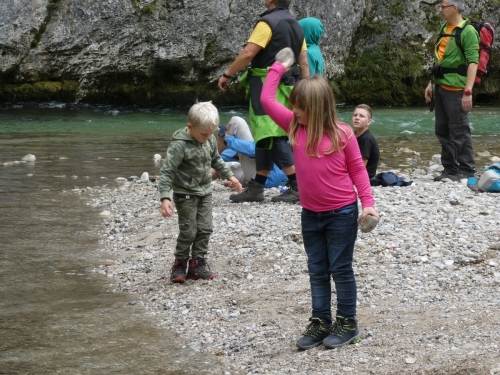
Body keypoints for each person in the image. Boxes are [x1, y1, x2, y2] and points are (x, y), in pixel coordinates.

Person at [260, 48, 379, 350]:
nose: (294, 110)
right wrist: (278, 66)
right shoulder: (293, 126)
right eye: (293, 106)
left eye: (299, 107)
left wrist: (368, 204)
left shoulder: (343, 134)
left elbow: (358, 172)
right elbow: (265, 100)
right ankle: (320, 321)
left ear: (315, 107)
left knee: (340, 268)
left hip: (341, 213)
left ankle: (348, 323)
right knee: (316, 269)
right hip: (310, 214)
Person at [218, 0, 309, 203]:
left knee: (273, 136)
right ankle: (257, 187)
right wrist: (305, 89)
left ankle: (297, 186)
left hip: (267, 84)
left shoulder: (267, 23)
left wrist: (227, 74)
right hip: (289, 87)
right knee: (264, 138)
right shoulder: (297, 25)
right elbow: (303, 62)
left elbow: (249, 53)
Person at [158, 102, 242, 283]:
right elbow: (166, 172)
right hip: (185, 193)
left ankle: (197, 263)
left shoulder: (209, 139)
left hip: (204, 191)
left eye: (210, 133)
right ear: (190, 126)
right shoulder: (179, 146)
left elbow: (216, 160)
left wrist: (230, 176)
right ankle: (180, 263)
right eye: (203, 133)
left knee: (205, 228)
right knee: (189, 231)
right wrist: (165, 197)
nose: (207, 137)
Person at [424, 0, 479, 182]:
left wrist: (468, 91)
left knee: (459, 129)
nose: (440, 10)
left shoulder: (468, 31)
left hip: (457, 88)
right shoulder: (444, 28)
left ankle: (467, 169)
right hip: (440, 86)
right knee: (442, 129)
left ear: (454, 8)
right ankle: (449, 168)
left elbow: (473, 62)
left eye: (442, 6)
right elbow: (439, 61)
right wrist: (431, 84)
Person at [211, 116, 288, 189]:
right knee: (223, 167)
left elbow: (254, 151)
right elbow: (238, 154)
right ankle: (203, 174)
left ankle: (211, 157)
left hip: (263, 179)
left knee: (236, 121)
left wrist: (226, 139)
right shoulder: (289, 131)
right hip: (275, 180)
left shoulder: (278, 132)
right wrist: (220, 158)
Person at [352, 104, 380, 178]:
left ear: (369, 122)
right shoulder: (353, 135)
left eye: (361, 116)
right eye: (355, 115)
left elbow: (360, 167)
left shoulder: (366, 139)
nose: (357, 118)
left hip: (365, 177)